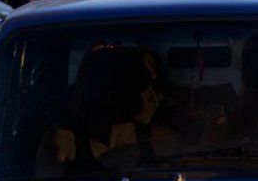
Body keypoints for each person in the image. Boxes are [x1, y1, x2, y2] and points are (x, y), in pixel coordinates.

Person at [45, 46, 177, 174]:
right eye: (142, 87)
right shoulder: (64, 140)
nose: (154, 97)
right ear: (114, 90)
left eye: (153, 86)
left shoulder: (160, 141)